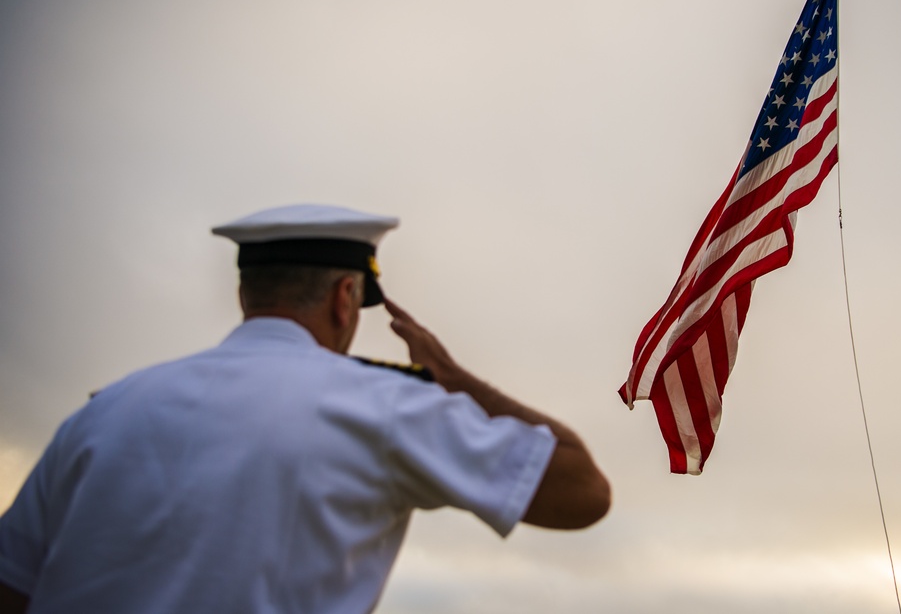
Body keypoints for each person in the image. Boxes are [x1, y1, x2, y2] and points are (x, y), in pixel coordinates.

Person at [0, 204, 611, 614]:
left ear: (244, 293)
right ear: (348, 298)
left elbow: (14, 587)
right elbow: (583, 491)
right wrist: (452, 378)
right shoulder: (380, 406)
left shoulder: (104, 413)